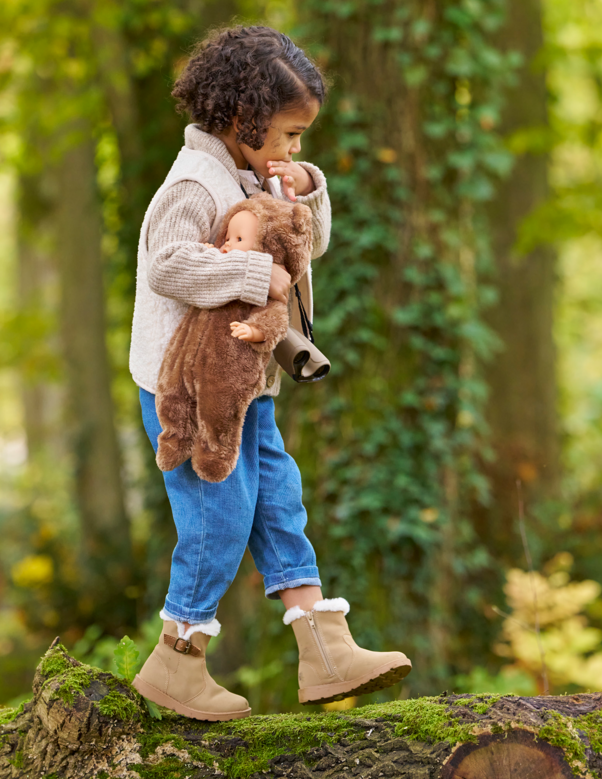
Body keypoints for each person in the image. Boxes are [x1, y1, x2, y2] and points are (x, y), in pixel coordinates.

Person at [129, 24, 411, 722]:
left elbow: (305, 245)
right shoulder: (193, 182)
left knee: (279, 500)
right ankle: (176, 660)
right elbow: (166, 263)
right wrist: (254, 272)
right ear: (238, 117)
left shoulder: (248, 173)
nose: (292, 149)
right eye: (287, 135)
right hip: (190, 391)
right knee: (215, 516)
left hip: (245, 383)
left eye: (299, 139)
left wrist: (305, 187)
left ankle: (324, 648)